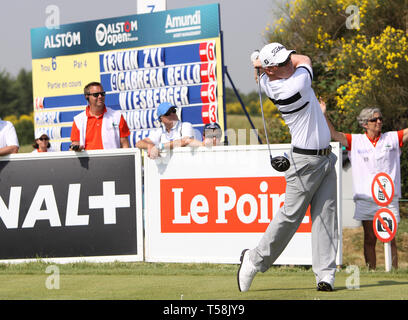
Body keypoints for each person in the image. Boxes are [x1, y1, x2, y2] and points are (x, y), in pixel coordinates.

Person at [237, 43, 338, 292]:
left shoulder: (266, 81)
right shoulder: (297, 85)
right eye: (281, 63)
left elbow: (261, 76)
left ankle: (325, 275)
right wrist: (264, 61)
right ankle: (253, 259)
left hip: (326, 159)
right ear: (271, 71)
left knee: (326, 217)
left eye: (286, 60)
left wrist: (259, 64)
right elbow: (304, 57)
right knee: (290, 217)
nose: (287, 64)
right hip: (304, 163)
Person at [320, 100, 408, 269]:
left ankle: (394, 271)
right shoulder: (356, 140)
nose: (379, 122)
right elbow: (334, 134)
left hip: (389, 197)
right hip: (366, 197)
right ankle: (371, 270)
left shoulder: (391, 137)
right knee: (369, 237)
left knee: (390, 237)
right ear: (365, 124)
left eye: (380, 119)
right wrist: (324, 114)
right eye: (375, 120)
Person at [70, 82, 130, 151]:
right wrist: (75, 148)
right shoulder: (78, 120)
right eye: (96, 95)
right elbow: (75, 144)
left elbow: (125, 144)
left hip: (112, 160)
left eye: (102, 94)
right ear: (87, 96)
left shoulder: (117, 117)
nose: (100, 96)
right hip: (87, 161)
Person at [136, 102, 200, 159]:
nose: (172, 114)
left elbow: (185, 141)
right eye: (168, 113)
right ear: (161, 118)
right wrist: (150, 146)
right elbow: (139, 143)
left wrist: (159, 147)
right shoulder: (160, 131)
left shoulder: (185, 125)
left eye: (173, 111)